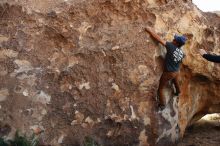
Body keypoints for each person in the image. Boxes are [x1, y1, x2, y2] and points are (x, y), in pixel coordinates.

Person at [145, 27, 187, 110]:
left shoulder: (171, 46)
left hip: (169, 72)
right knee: (175, 80)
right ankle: (178, 92)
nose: (173, 40)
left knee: (160, 88)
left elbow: (159, 39)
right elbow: (181, 60)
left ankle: (162, 104)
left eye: (174, 40)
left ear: (176, 43)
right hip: (176, 71)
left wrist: (150, 31)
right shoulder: (181, 52)